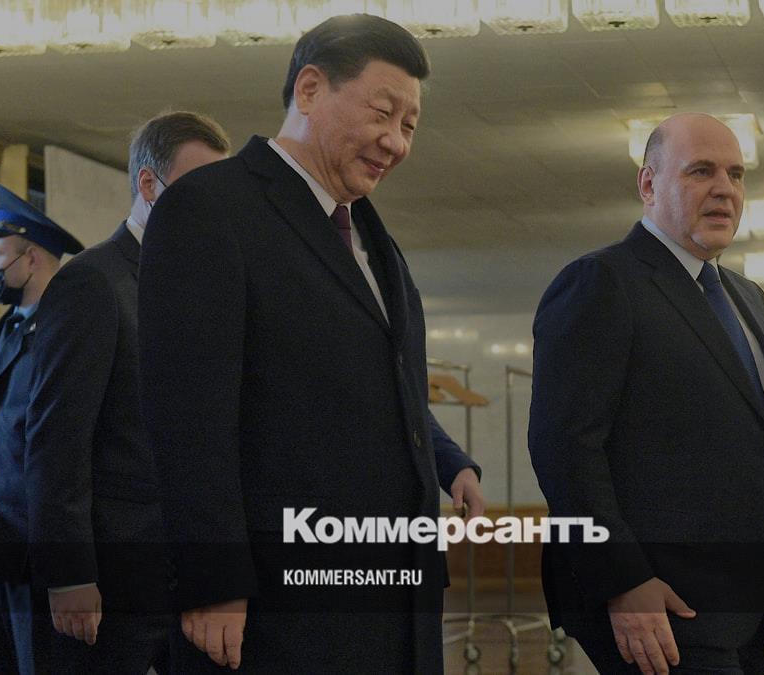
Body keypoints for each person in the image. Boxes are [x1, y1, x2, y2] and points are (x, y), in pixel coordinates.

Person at [138, 14, 483, 673]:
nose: (396, 141)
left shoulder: (371, 235)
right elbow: (187, 417)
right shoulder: (211, 209)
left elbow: (389, 389)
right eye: (382, 113)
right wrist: (213, 578)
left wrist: (448, 463)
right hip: (280, 609)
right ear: (310, 89)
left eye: (410, 125)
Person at [529, 113, 764, 675]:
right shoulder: (601, 282)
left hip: (742, 603)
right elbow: (564, 447)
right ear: (648, 184)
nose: (724, 189)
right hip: (658, 598)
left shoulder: (747, 298)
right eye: (701, 171)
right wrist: (623, 579)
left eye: (736, 174)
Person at [23, 111, 230, 674]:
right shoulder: (93, 280)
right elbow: (57, 440)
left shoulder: (203, 285)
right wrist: (69, 573)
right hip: (113, 581)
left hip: (193, 578)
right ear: (148, 185)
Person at [0, 183, 84, 674]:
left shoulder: (68, 328)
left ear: (31, 257)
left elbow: (62, 448)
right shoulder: (7, 328)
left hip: (36, 549)